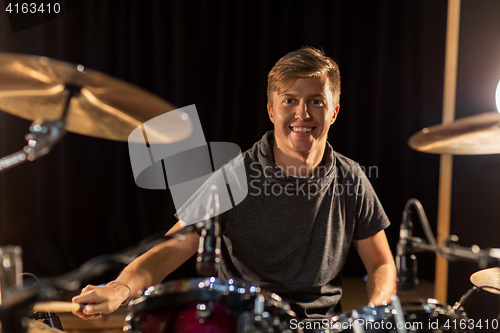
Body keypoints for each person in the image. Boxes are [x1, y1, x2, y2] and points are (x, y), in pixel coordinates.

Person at [72, 46, 396, 320]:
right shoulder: (234, 177)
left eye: (316, 101)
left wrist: (376, 310)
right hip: (249, 322)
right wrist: (121, 287)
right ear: (271, 110)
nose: (302, 113)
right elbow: (171, 248)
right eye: (289, 101)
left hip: (320, 325)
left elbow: (380, 261)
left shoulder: (350, 177)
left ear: (334, 111)